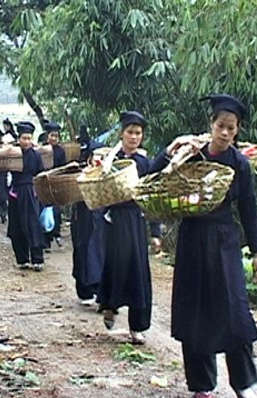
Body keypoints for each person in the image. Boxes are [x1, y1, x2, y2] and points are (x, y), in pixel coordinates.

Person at [150, 94, 257, 398]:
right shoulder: (192, 155)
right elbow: (153, 176)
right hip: (192, 241)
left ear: (237, 130)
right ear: (211, 125)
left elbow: (249, 209)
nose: (225, 133)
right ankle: (202, 386)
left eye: (231, 128)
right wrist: (172, 148)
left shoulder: (239, 163)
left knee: (234, 312)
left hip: (225, 242)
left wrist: (256, 253)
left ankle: (242, 383)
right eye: (220, 126)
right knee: (195, 313)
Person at [96, 110, 155, 345]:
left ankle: (137, 327)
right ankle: (110, 305)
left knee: (139, 272)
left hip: (137, 221)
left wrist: (156, 232)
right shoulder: (110, 160)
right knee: (116, 267)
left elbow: (151, 195)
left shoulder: (143, 162)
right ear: (121, 134)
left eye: (138, 133)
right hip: (115, 221)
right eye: (130, 132)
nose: (134, 137)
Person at [70, 141, 106, 306]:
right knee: (83, 248)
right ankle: (84, 290)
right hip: (84, 217)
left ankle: (101, 291)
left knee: (101, 252)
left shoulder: (110, 173)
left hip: (103, 217)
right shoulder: (81, 173)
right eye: (96, 155)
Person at [6, 121, 46, 271]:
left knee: (32, 225)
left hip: (30, 191)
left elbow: (40, 173)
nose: (27, 142)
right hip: (15, 192)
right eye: (24, 138)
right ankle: (22, 259)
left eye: (29, 138)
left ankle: (37, 259)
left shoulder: (36, 155)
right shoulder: (12, 153)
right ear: (18, 138)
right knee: (16, 226)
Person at [42, 121, 67, 250]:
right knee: (45, 212)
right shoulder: (42, 150)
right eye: (52, 135)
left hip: (56, 184)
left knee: (56, 212)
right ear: (47, 136)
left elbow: (63, 167)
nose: (54, 138)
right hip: (44, 185)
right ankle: (46, 241)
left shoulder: (60, 151)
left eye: (56, 136)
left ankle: (56, 234)